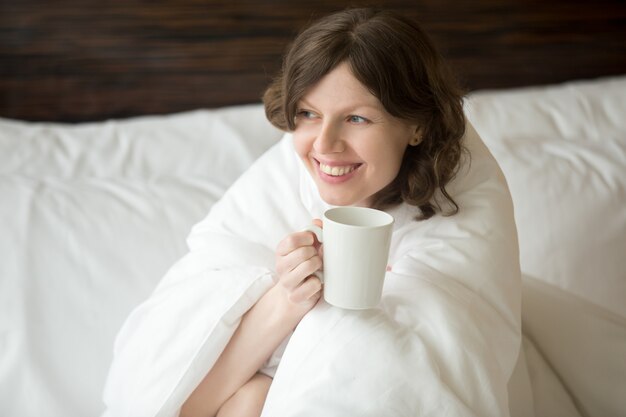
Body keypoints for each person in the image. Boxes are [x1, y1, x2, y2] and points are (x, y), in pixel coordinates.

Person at [102, 7, 524, 417]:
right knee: (249, 397)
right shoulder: (281, 183)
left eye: (357, 118)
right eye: (308, 113)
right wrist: (290, 297)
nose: (324, 145)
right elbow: (180, 406)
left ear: (417, 125)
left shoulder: (464, 212)